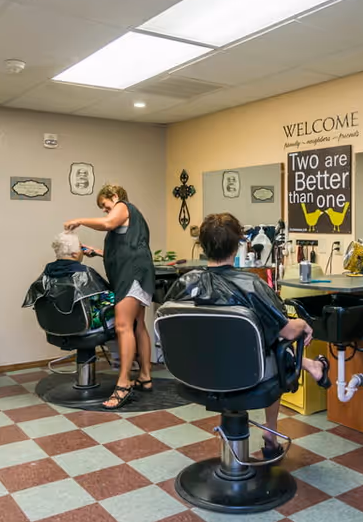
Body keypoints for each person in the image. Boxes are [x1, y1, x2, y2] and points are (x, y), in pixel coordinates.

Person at [165, 212, 331, 460]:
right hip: (248, 375)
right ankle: (271, 435)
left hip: (194, 372)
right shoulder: (252, 284)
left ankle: (310, 367)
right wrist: (303, 324)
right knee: (275, 345)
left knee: (264, 342)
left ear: (202, 245)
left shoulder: (185, 282)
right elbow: (285, 329)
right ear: (240, 243)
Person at [64, 184, 155, 409]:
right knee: (138, 324)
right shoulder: (130, 219)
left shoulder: (124, 206)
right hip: (138, 271)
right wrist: (97, 252)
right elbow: (124, 248)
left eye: (105, 205)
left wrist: (80, 220)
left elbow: (107, 224)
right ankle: (145, 376)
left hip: (132, 274)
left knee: (123, 326)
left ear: (114, 197)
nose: (106, 211)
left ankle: (123, 385)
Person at [22, 232, 116, 333]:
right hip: (86, 326)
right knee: (124, 313)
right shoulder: (85, 273)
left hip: (55, 325)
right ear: (75, 254)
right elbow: (109, 298)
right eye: (81, 248)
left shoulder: (46, 274)